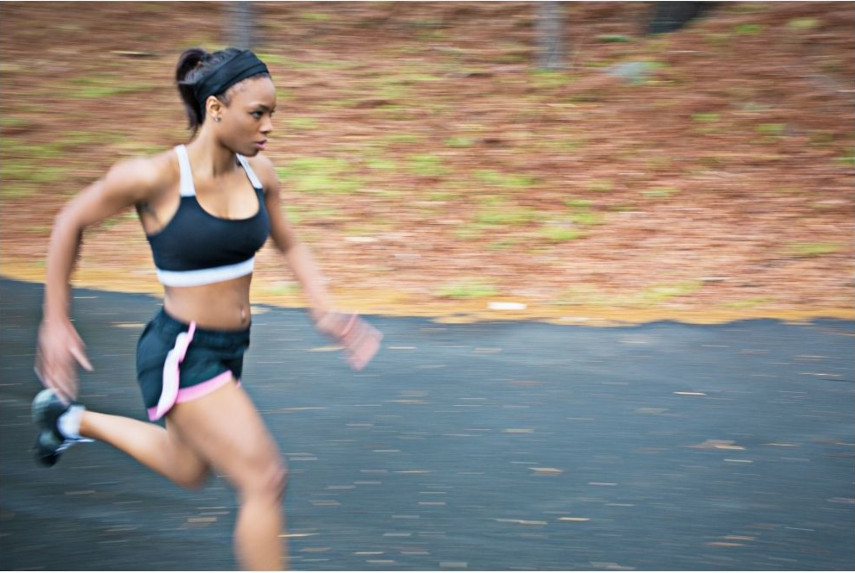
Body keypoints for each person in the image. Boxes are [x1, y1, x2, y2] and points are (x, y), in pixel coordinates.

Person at [31, 46, 382, 571]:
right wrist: (56, 320)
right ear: (216, 110)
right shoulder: (153, 178)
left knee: (189, 469)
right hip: (181, 348)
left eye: (273, 114)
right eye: (257, 114)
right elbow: (69, 222)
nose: (268, 127)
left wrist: (324, 308)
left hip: (228, 350)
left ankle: (68, 421)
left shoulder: (261, 174)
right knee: (265, 477)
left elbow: (291, 243)